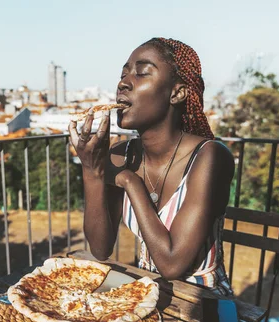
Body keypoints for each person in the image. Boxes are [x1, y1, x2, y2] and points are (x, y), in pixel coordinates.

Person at [69, 37, 234, 296]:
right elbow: (100, 249)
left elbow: (171, 264)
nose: (123, 83)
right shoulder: (120, 154)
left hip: (201, 303)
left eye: (142, 73)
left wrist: (130, 182)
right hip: (147, 292)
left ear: (177, 93)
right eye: (123, 74)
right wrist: (92, 171)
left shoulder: (210, 157)